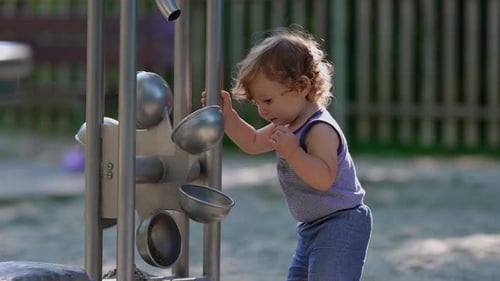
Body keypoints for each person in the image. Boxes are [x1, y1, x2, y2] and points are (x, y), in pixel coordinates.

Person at [202, 27, 372, 281]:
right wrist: (229, 117)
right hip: (311, 227)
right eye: (257, 103)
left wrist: (293, 152)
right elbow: (252, 142)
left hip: (341, 224)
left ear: (302, 86)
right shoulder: (287, 124)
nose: (261, 110)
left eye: (267, 101)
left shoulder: (319, 129)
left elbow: (324, 178)